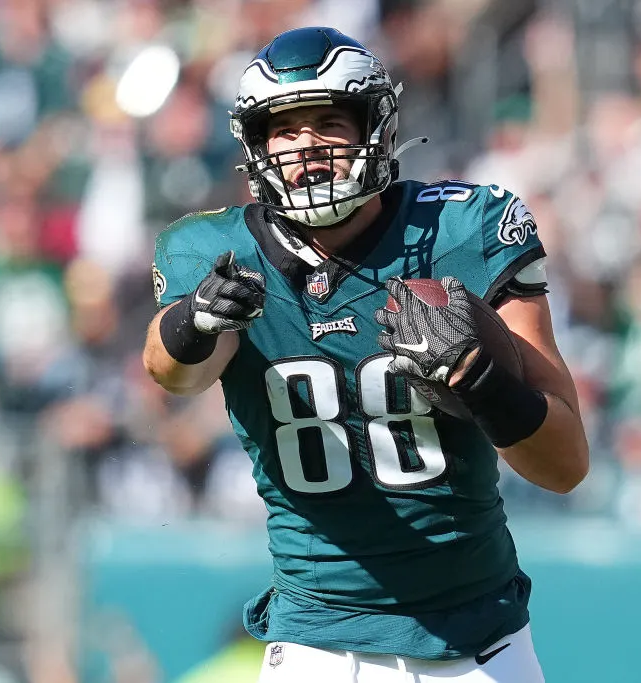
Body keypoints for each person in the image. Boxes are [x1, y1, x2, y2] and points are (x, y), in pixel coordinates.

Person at [143, 26, 588, 683]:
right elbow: (173, 372)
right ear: (255, 145)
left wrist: (484, 382)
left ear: (374, 128)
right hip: (315, 636)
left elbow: (565, 461)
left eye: (328, 122)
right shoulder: (213, 251)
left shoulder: (464, 230)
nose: (307, 147)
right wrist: (196, 320)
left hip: (479, 640)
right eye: (285, 130)